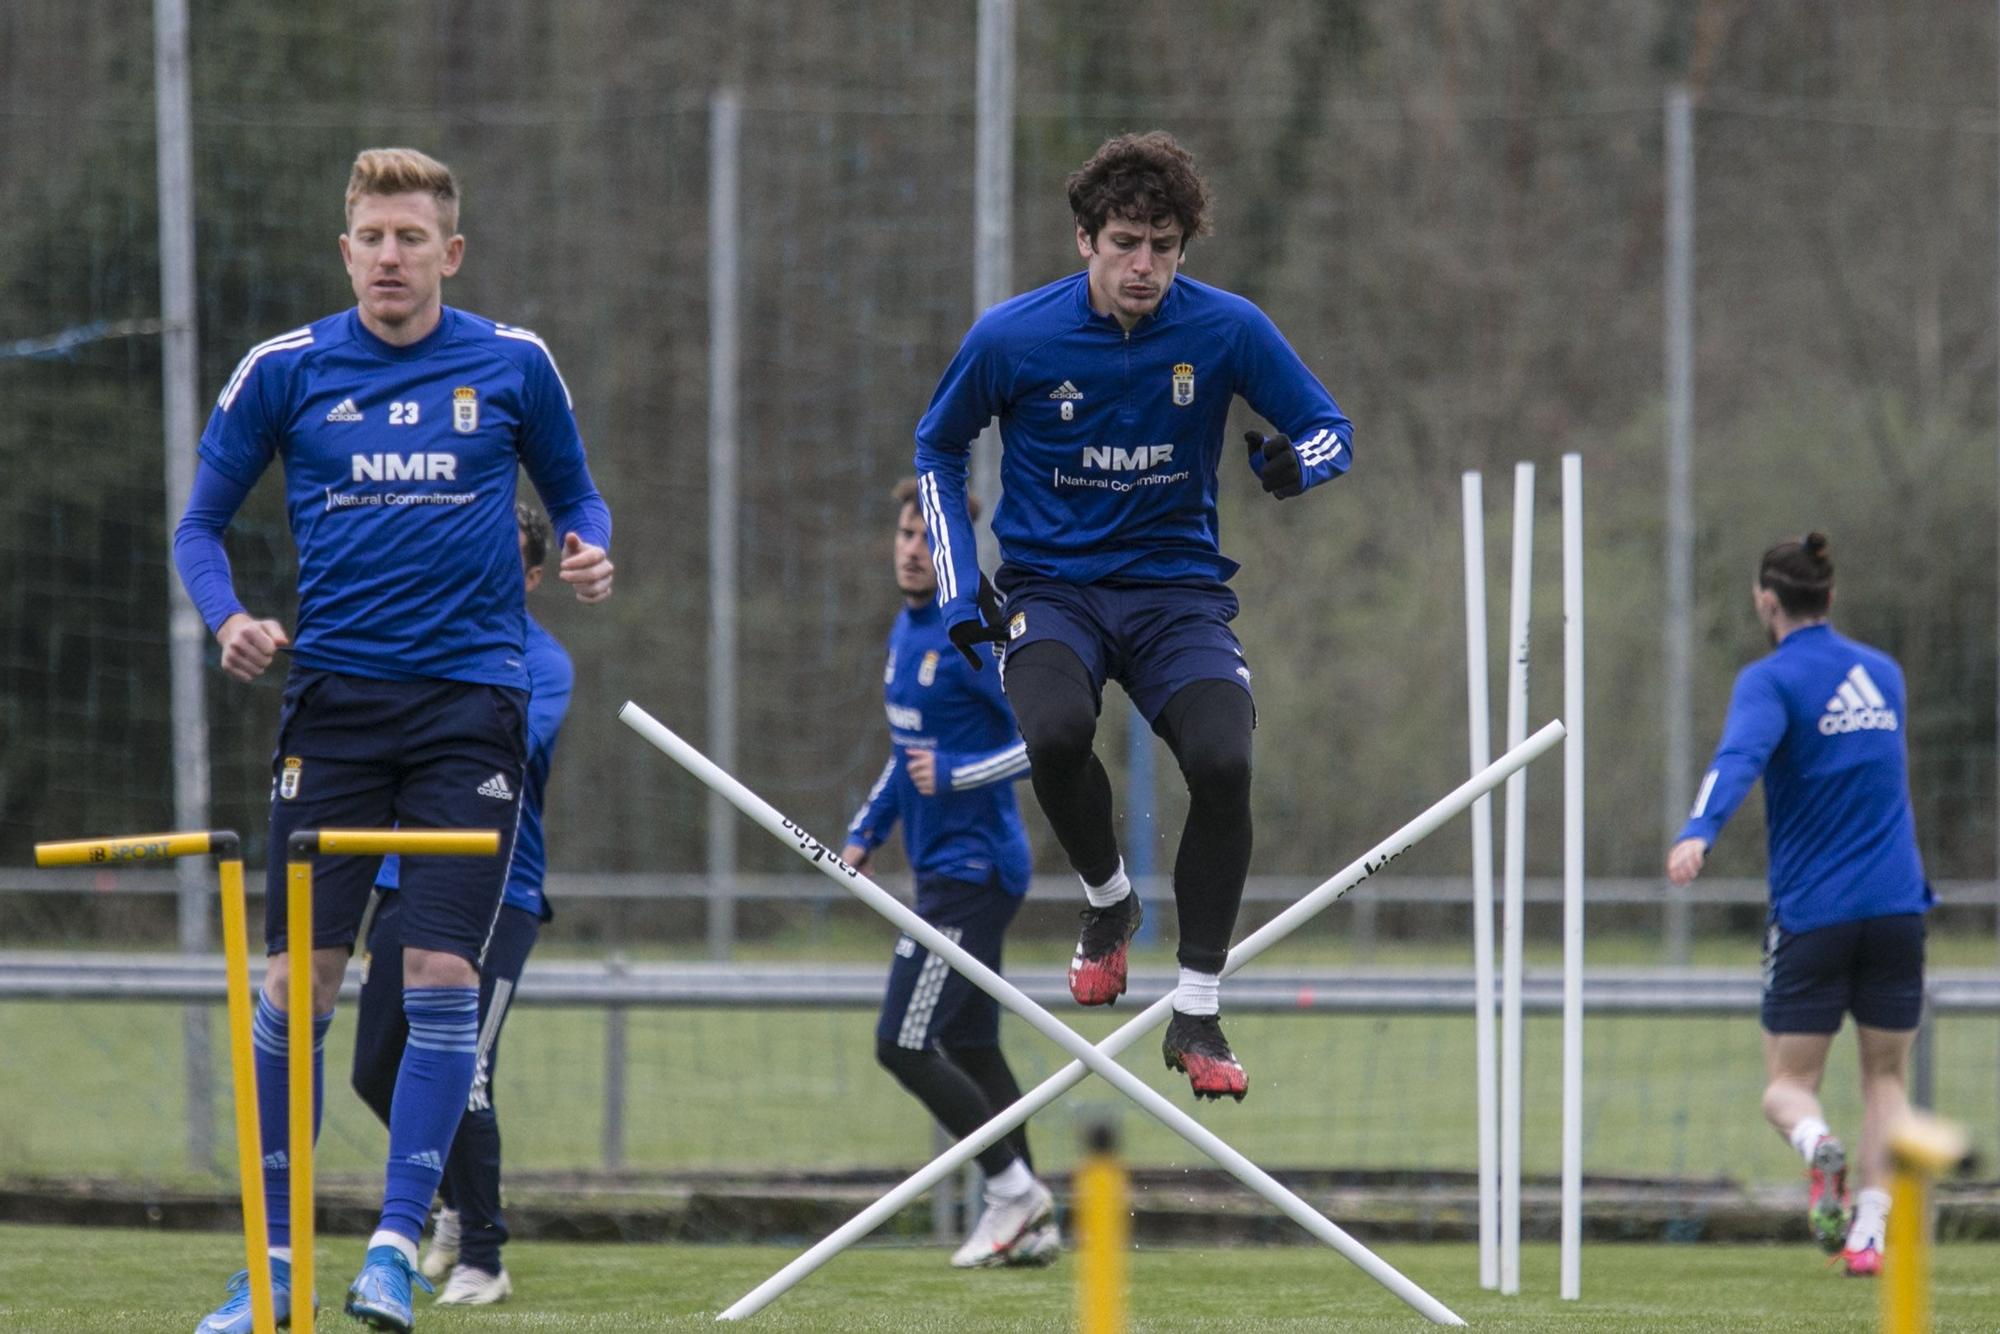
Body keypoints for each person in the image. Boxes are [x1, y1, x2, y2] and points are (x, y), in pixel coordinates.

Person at [173, 147, 613, 1334]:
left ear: (448, 253)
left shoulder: (512, 364)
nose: (389, 256)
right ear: (345, 249)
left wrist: (585, 545)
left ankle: (388, 1249)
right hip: (336, 710)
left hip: (471, 706)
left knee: (436, 976)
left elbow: (578, 495)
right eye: (371, 236)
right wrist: (230, 619)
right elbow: (200, 525)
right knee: (295, 988)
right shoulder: (288, 369)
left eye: (411, 237)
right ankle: (271, 1267)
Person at [912, 130, 1352, 1101]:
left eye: (1162, 244)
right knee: (1054, 728)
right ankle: (1107, 900)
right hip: (1049, 590)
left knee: (1226, 761)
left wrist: (1296, 465)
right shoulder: (1011, 338)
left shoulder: (1226, 329)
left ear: (1183, 246)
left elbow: (1329, 430)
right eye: (1124, 242)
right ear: (1083, 241)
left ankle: (1196, 1006)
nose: (1143, 264)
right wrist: (958, 587)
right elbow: (935, 447)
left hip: (1175, 592)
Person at [1666, 533, 1931, 1278]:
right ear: (1832, 597)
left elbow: (1738, 758)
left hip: (1815, 914)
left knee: (1788, 1089)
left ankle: (1819, 1148)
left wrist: (1698, 831)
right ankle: (1870, 1235)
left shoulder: (1770, 680)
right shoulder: (1885, 676)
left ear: (1766, 601)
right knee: (1885, 1080)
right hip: (1898, 908)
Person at [350, 502, 573, 1308]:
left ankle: (484, 1253)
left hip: (499, 892)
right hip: (403, 881)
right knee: (374, 1066)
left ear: (533, 575)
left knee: (467, 1068)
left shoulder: (541, 665)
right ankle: (448, 1204)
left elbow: (502, 751)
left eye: (504, 555)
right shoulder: (421, 642)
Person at [839, 480, 1057, 1269]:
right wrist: (865, 835)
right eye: (902, 535)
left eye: (925, 540)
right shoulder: (904, 636)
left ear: (956, 551)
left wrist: (958, 775)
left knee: (901, 1041)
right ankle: (1033, 1220)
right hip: (936, 874)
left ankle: (1011, 1191)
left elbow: (1045, 747)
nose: (909, 550)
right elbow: (907, 762)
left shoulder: (975, 635)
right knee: (971, 1046)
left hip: (978, 873)